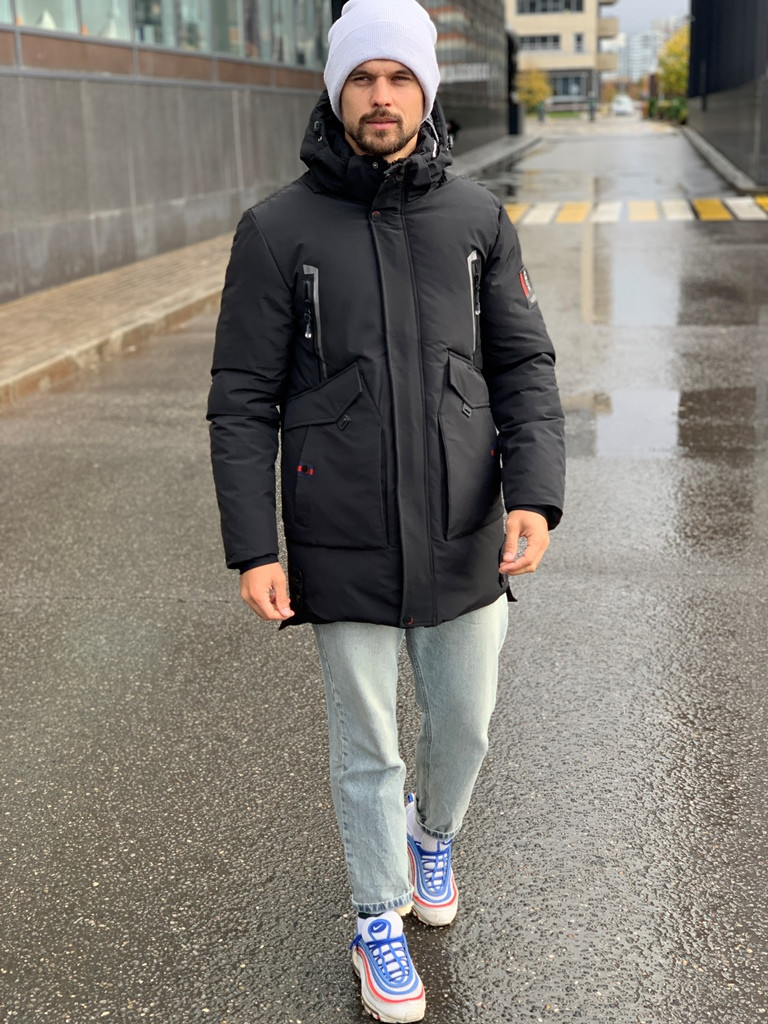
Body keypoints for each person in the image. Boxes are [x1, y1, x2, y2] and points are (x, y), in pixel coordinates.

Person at [207, 0, 565, 1019]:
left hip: (464, 525)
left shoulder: (476, 220)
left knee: (467, 726)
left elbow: (523, 365)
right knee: (367, 745)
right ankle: (376, 913)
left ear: (425, 91)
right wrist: (255, 546)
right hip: (341, 533)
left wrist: (536, 495)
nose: (380, 95)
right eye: (362, 77)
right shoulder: (277, 230)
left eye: (399, 77)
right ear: (336, 91)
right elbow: (242, 396)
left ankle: (431, 835)